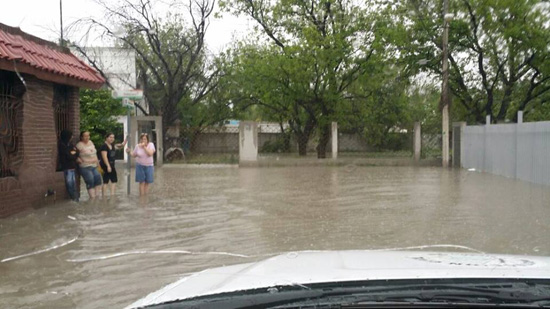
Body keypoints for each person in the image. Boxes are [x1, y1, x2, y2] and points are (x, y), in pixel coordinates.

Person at [99, 133, 127, 198]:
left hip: (112, 165)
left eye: (113, 137)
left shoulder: (113, 145)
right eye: (110, 137)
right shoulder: (104, 146)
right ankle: (104, 196)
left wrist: (127, 139)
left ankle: (112, 195)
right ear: (106, 138)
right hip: (105, 166)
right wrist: (108, 166)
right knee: (105, 181)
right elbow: (104, 157)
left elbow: (121, 145)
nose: (112, 139)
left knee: (114, 180)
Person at [76, 131, 102, 200]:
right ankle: (92, 199)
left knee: (98, 179)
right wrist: (78, 159)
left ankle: (97, 198)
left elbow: (95, 154)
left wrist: (98, 165)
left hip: (94, 165)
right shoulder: (79, 145)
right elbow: (75, 155)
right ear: (81, 137)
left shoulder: (91, 142)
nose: (87, 137)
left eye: (88, 136)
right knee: (90, 180)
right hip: (85, 167)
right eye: (85, 136)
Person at [58, 129, 80, 202]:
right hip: (67, 167)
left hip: (73, 167)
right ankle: (73, 198)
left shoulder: (70, 144)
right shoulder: (62, 145)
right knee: (70, 184)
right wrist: (73, 154)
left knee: (74, 184)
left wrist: (73, 154)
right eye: (71, 136)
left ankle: (76, 199)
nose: (72, 137)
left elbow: (77, 152)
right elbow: (69, 156)